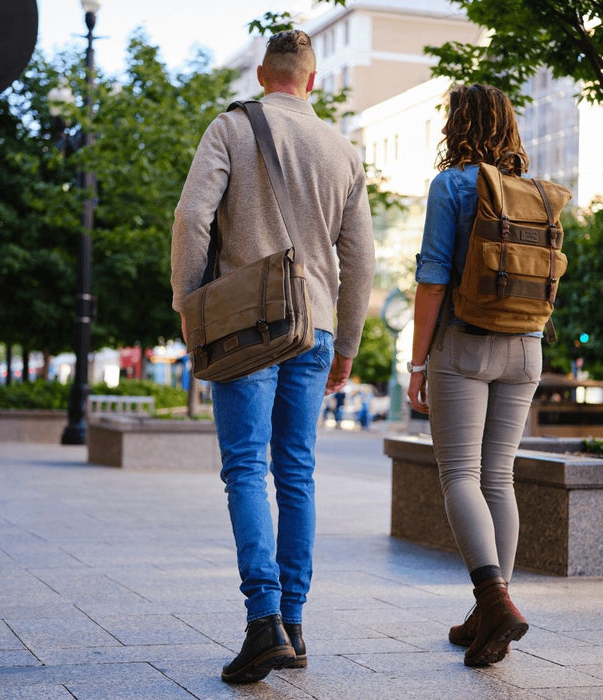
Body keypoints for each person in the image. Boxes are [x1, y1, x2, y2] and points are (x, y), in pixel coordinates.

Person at [171, 30, 375, 684]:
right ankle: (294, 623)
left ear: (264, 73)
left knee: (244, 467)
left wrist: (189, 304)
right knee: (297, 473)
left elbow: (191, 219)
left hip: (246, 325)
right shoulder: (344, 151)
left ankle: (263, 624)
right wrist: (347, 344)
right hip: (313, 326)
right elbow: (361, 261)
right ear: (311, 81)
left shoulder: (230, 128)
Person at [406, 84, 541, 668]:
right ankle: (490, 611)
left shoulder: (453, 184)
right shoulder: (534, 190)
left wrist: (416, 363)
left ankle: (494, 602)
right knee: (498, 479)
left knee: (460, 474)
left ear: (456, 124)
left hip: (465, 344)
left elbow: (433, 278)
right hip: (527, 347)